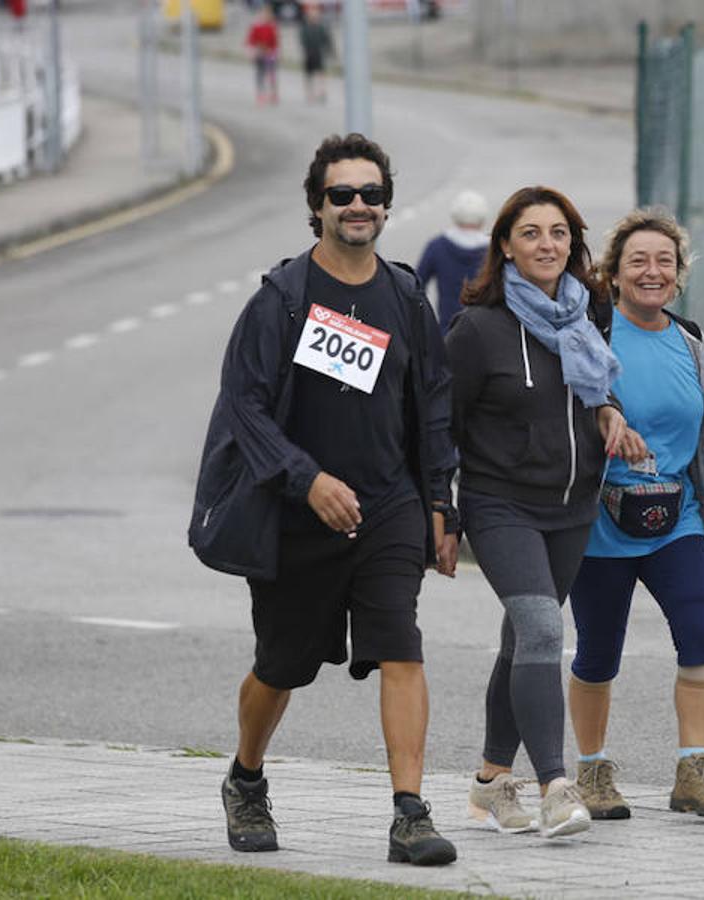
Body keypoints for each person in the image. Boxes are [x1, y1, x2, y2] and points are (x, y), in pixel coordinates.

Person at [189, 133, 461, 866]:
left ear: (385, 204)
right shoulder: (282, 299)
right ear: (318, 206)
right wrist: (306, 480)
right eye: (342, 194)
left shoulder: (405, 296)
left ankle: (411, 814)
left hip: (388, 507)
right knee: (282, 665)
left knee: (401, 648)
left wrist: (441, 502)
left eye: (371, 194)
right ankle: (246, 778)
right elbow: (244, 406)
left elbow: (432, 404)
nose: (358, 206)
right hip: (295, 515)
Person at [445, 186, 643, 839]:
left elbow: (594, 388)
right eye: (530, 233)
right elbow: (440, 423)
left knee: (522, 641)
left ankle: (489, 784)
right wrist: (440, 510)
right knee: (541, 631)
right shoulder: (477, 329)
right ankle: (556, 786)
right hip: (500, 503)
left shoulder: (590, 313)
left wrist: (609, 410)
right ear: (504, 244)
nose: (546, 245)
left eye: (557, 233)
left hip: (572, 504)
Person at [567, 208, 704, 820]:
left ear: (680, 275)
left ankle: (693, 770)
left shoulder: (690, 337)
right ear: (613, 275)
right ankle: (591, 773)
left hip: (678, 515)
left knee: (701, 639)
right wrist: (605, 425)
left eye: (664, 262)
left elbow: (688, 414)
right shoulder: (593, 333)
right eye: (638, 261)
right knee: (598, 653)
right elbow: (574, 411)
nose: (652, 272)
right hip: (601, 519)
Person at [416, 190, 490, 334]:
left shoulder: (437, 246)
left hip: (447, 329)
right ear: (482, 218)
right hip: (486, 333)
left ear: (455, 216)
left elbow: (416, 286)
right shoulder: (493, 251)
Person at [298, 3, 333, 104]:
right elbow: (302, 41)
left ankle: (321, 92)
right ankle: (310, 94)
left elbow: (327, 40)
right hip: (309, 54)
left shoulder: (321, 27)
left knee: (321, 74)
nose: (313, 17)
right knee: (309, 75)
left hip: (319, 54)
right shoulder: (305, 28)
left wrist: (330, 52)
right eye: (311, 15)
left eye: (315, 15)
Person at [246, 6, 279, 105]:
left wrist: (275, 52)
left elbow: (275, 41)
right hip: (259, 53)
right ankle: (261, 94)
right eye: (263, 14)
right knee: (260, 74)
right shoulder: (256, 27)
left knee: (271, 74)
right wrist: (252, 52)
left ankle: (273, 93)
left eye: (267, 15)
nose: (265, 16)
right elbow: (251, 41)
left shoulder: (271, 27)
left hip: (269, 53)